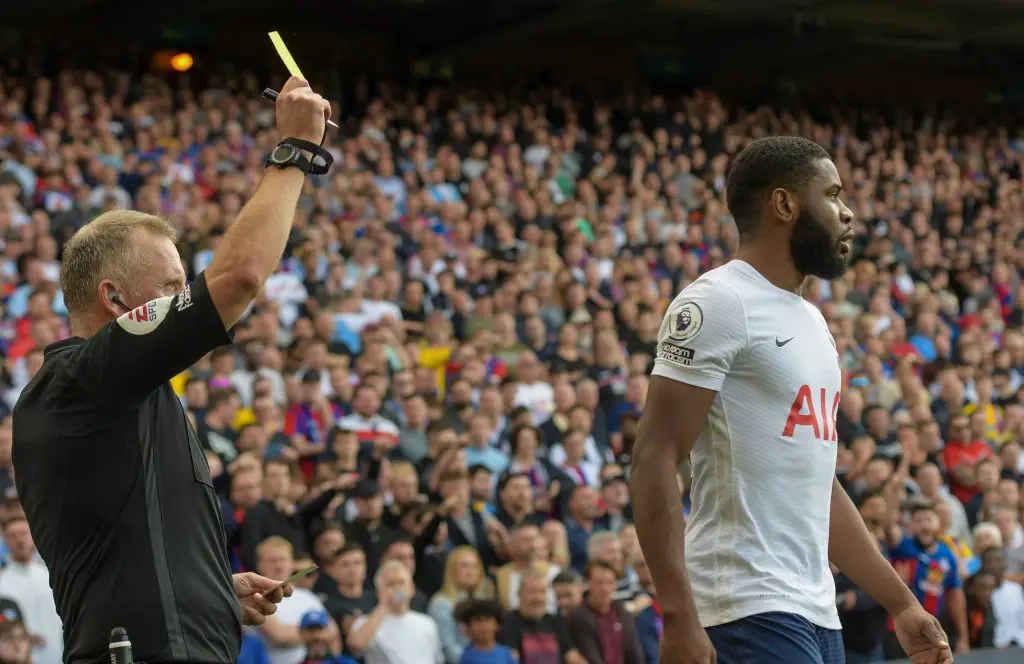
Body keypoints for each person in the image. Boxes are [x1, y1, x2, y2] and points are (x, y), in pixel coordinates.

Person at [10, 75, 329, 664]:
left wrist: (207, 591)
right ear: (115, 299)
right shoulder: (81, 380)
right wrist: (295, 153)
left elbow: (123, 549)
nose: (187, 298)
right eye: (172, 288)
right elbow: (237, 279)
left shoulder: (125, 395)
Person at [630, 136, 953, 664]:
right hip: (742, 606)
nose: (848, 213)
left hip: (816, 612)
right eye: (833, 195)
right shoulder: (719, 301)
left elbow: (818, 486)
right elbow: (653, 459)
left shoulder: (810, 320)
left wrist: (902, 604)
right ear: (784, 204)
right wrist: (678, 616)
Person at [455, 599, 517, 664]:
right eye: (478, 620)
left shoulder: (507, 654)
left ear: (498, 625)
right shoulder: (465, 657)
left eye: (488, 619)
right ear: (470, 626)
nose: (483, 625)